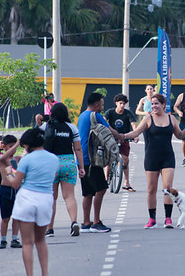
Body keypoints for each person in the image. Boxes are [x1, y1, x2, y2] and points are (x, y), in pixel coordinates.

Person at [0, 128, 59, 276]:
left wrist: (8, 172)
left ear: (28, 145)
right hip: (45, 200)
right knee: (41, 240)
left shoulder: (26, 160)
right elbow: (52, 178)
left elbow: (15, 183)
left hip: (27, 199)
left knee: (27, 242)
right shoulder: (54, 159)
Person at [126, 93, 185, 229]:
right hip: (151, 158)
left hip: (168, 157)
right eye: (152, 104)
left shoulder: (171, 118)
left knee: (167, 188)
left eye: (157, 103)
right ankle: (152, 219)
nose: (154, 106)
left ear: (163, 105)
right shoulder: (148, 119)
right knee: (151, 189)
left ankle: (168, 219)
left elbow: (180, 135)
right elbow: (136, 132)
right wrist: (121, 136)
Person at [78, 92, 122, 233]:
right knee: (101, 188)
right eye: (102, 104)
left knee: (88, 192)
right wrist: (122, 136)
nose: (103, 106)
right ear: (97, 105)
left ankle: (86, 223)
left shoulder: (82, 116)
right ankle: (96, 222)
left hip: (82, 159)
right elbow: (110, 131)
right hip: (92, 159)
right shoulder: (95, 115)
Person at [43, 102, 85, 238]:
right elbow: (78, 149)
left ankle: (49, 228)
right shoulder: (71, 128)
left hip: (50, 164)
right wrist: (81, 167)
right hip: (68, 162)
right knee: (69, 196)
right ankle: (73, 222)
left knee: (51, 198)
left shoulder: (46, 126)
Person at [105, 93, 139, 192]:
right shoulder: (110, 112)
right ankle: (106, 179)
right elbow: (104, 121)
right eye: (120, 103)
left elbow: (133, 124)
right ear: (116, 103)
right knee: (109, 159)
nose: (122, 105)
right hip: (112, 139)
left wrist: (135, 135)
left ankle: (126, 182)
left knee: (125, 160)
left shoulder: (128, 113)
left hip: (124, 138)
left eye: (124, 104)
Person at [0, 134, 21, 249]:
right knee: (5, 218)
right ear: (4, 147)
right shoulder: (2, 159)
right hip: (5, 190)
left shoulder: (17, 159)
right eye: (10, 147)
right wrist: (16, 144)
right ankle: (3, 239)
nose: (13, 150)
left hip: (16, 190)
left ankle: (15, 238)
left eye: (14, 147)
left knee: (16, 217)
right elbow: (2, 158)